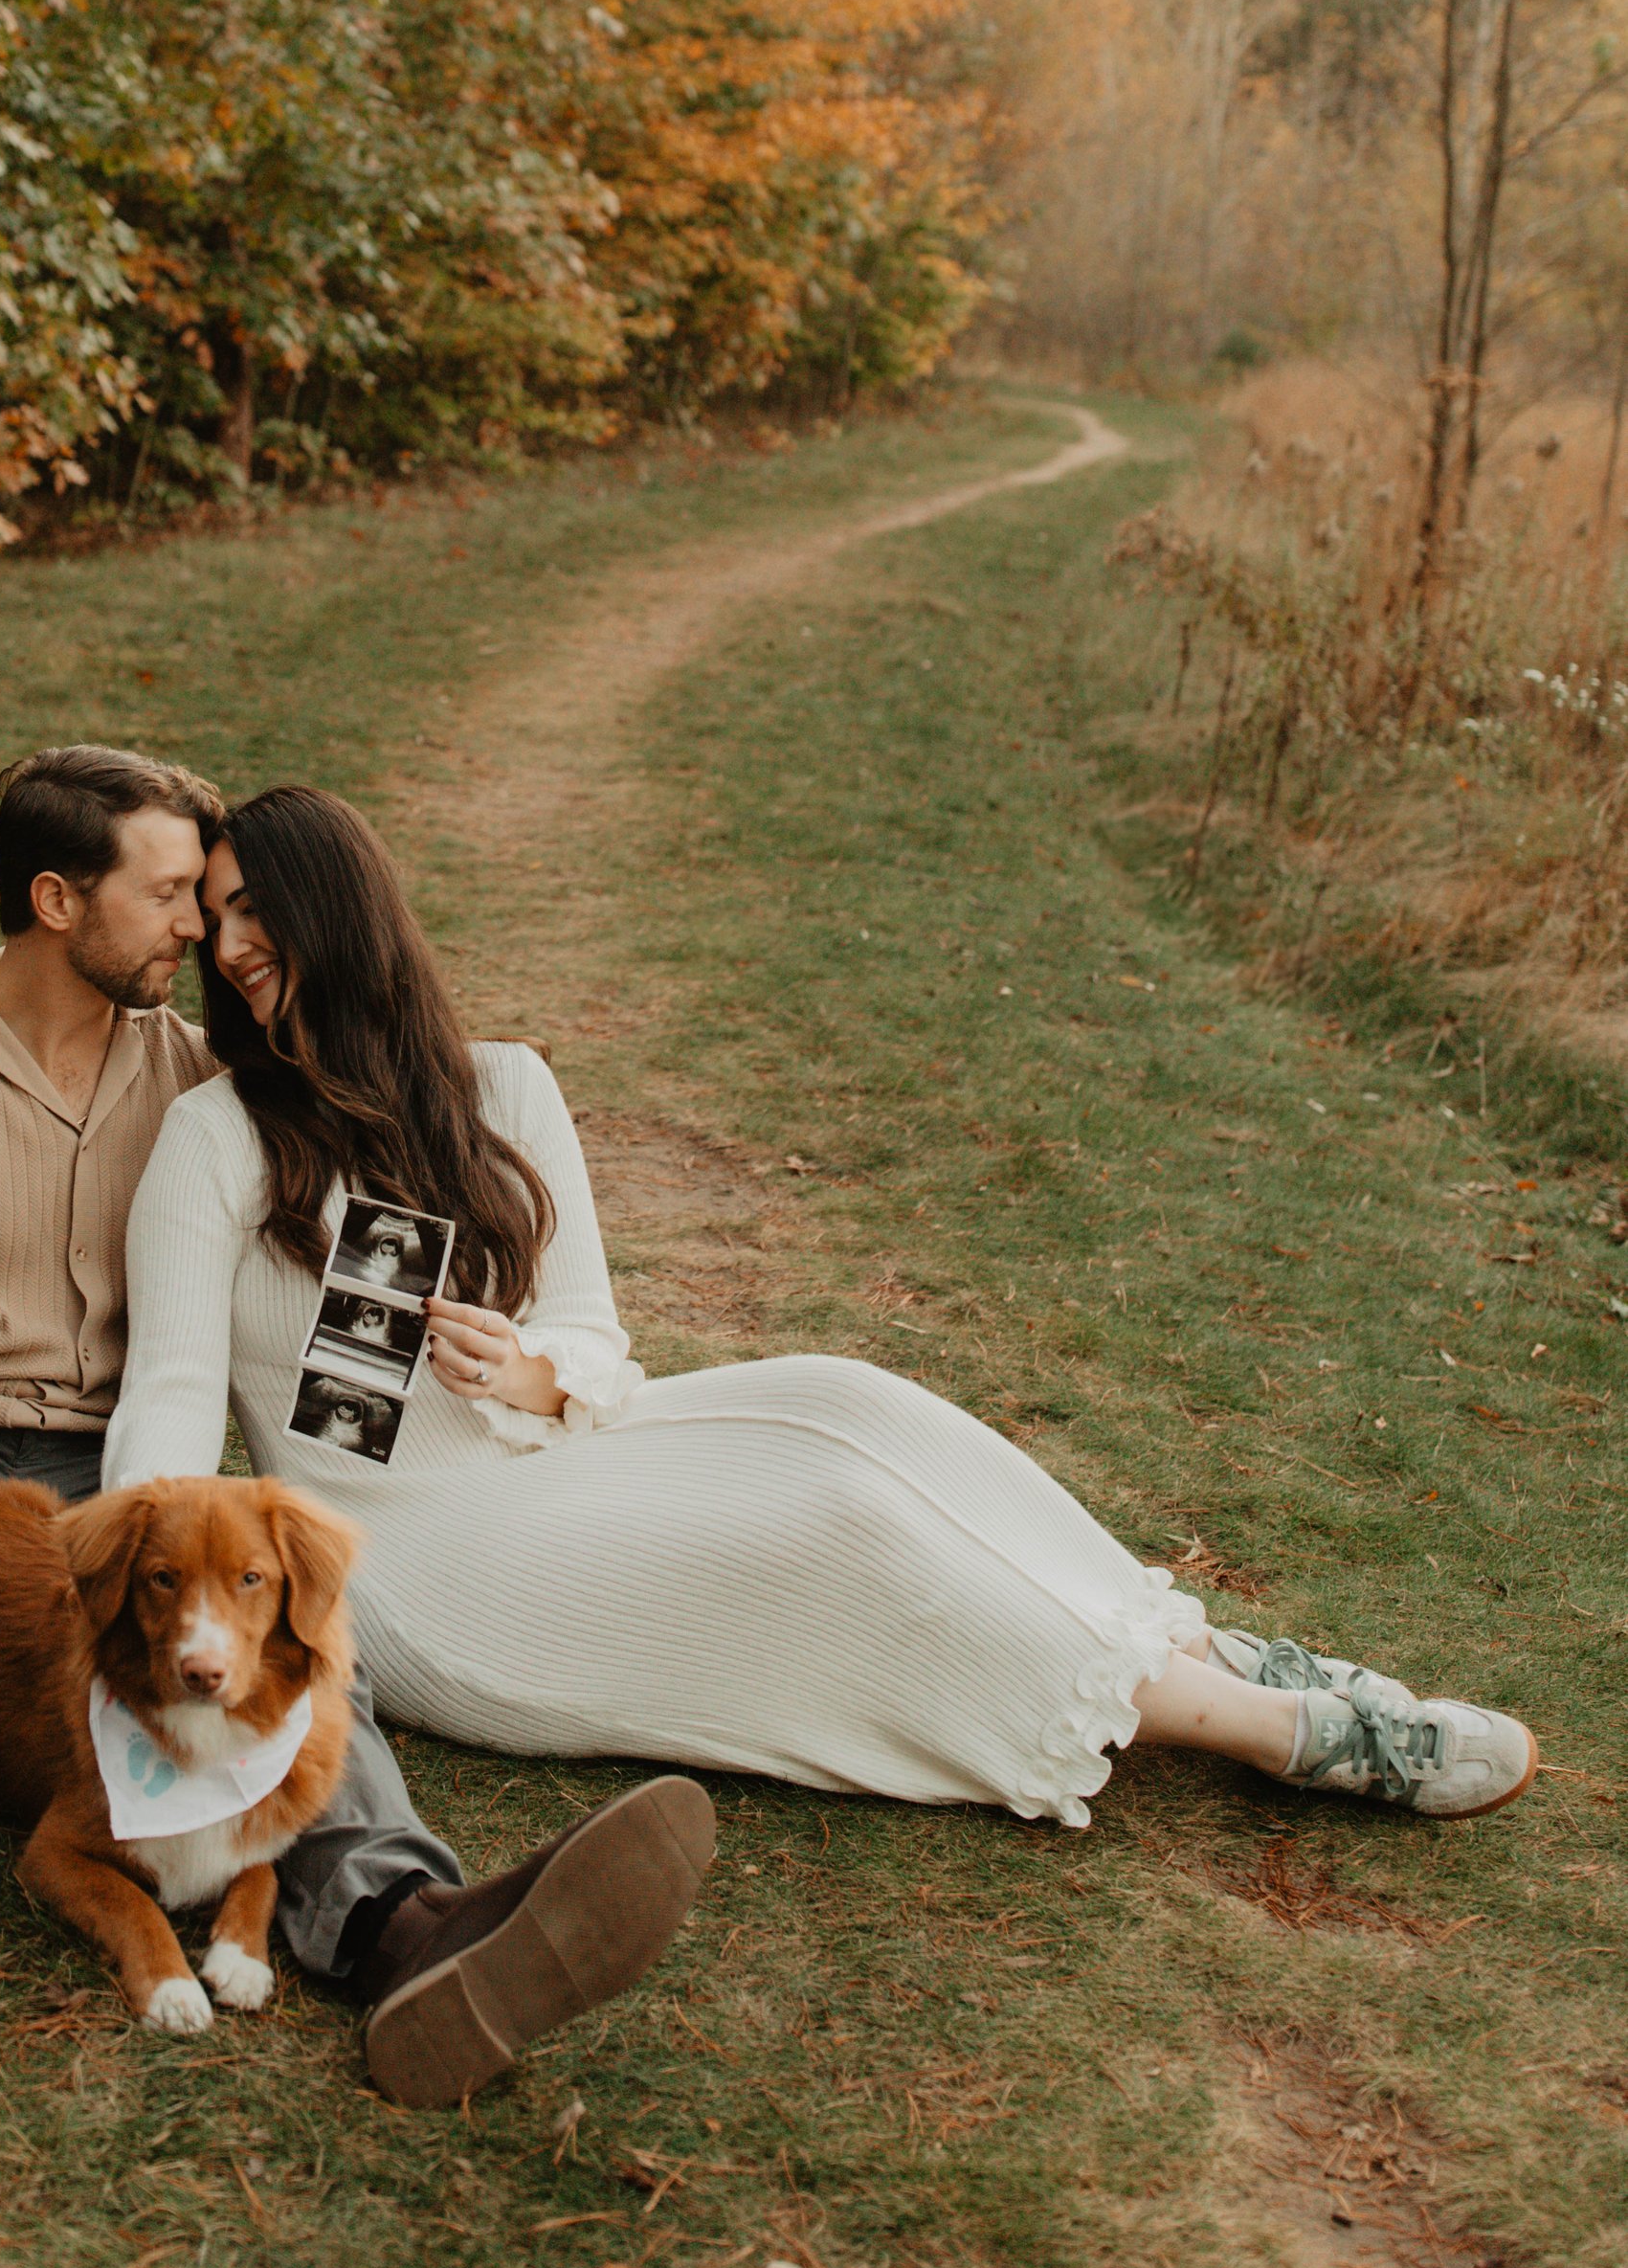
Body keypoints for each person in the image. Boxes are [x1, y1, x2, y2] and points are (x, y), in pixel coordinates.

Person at [105, 784, 1540, 1908]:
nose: (226, 947)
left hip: (560, 1453)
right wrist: (144, 1602)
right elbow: (173, 1391)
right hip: (421, 1558)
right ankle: (1273, 1730)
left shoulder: (506, 1092)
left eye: (252, 911)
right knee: (839, 1523)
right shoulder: (218, 1138)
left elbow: (596, 1334)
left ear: (340, 912)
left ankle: (1199, 1642)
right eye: (213, 918)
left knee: (847, 1402)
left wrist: (529, 1371)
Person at [0, 744, 710, 2105]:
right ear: (54, 898)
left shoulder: (203, 1082)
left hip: (113, 1469)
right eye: (170, 896)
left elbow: (368, 1094)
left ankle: (403, 1926)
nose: (201, 930)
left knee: (278, 1631)